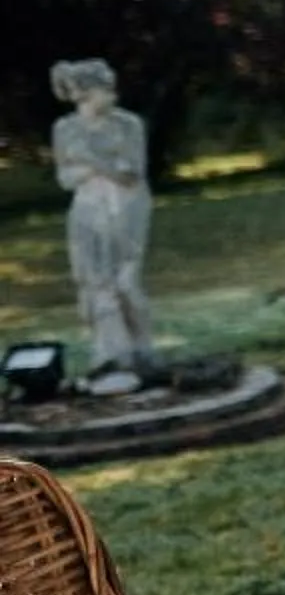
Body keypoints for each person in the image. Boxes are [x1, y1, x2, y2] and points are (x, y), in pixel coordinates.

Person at [51, 59, 157, 384]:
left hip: (126, 208)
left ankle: (142, 351)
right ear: (84, 93)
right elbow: (65, 178)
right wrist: (95, 166)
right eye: (105, 89)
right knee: (96, 283)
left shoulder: (128, 124)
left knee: (125, 283)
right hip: (87, 208)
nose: (112, 94)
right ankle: (110, 355)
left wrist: (91, 160)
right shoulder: (65, 128)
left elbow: (131, 174)